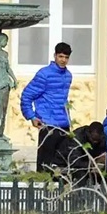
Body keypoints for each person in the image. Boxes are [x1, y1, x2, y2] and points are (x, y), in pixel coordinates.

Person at [20, 42, 73, 172]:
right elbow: (26, 96)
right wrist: (31, 116)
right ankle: (42, 191)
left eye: (66, 57)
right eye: (60, 56)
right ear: (55, 56)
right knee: (45, 165)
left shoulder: (68, 75)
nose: (63, 60)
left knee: (62, 165)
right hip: (48, 124)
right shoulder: (44, 74)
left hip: (64, 125)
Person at [53, 121, 107, 186]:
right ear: (88, 133)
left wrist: (103, 163)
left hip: (89, 165)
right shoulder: (77, 137)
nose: (94, 142)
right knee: (82, 176)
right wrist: (92, 164)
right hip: (67, 165)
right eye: (93, 139)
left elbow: (103, 156)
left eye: (97, 140)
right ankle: (81, 194)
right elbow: (74, 162)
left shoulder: (103, 138)